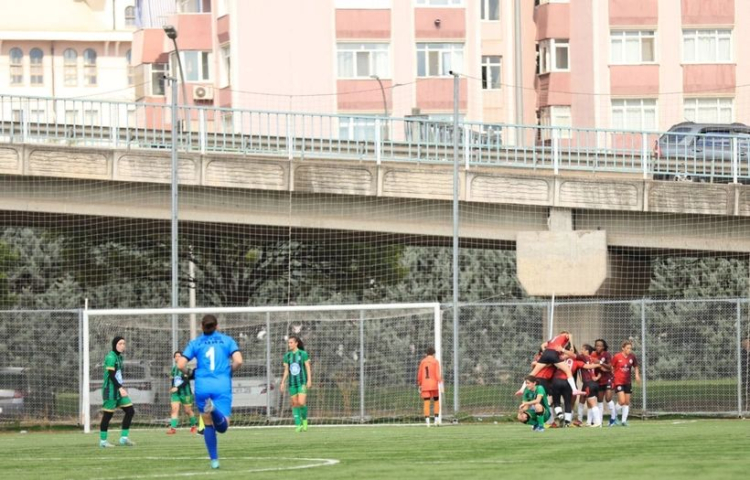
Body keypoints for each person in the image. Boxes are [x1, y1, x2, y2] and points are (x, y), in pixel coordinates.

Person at [178, 315, 243, 470]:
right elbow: (239, 361)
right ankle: (214, 410)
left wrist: (190, 373)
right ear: (217, 326)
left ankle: (214, 460)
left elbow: (181, 364)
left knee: (208, 425)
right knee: (223, 427)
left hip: (203, 386)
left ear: (202, 326)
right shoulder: (227, 340)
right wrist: (229, 371)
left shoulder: (195, 343)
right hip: (221, 385)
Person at [517, 331, 585, 397]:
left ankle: (522, 389)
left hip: (546, 353)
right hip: (553, 354)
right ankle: (574, 390)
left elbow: (542, 345)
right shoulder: (564, 336)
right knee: (568, 371)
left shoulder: (553, 339)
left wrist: (545, 351)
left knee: (532, 373)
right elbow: (570, 335)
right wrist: (572, 346)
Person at [99, 336, 136, 448]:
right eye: (120, 343)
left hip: (118, 389)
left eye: (124, 343)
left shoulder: (119, 357)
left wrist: (120, 387)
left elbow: (117, 375)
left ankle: (124, 438)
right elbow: (111, 375)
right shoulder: (111, 357)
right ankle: (103, 442)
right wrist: (120, 388)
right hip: (110, 390)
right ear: (115, 344)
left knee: (130, 411)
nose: (122, 345)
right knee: (108, 415)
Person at [281, 335, 312, 432]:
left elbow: (307, 367)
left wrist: (309, 380)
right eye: (288, 343)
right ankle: (298, 425)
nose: (289, 344)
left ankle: (305, 421)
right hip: (292, 383)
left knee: (301, 403)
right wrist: (282, 382)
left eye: (291, 342)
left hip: (302, 382)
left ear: (296, 343)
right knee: (295, 404)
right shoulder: (287, 356)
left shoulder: (303, 354)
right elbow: (286, 370)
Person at [611, 340, 641, 427]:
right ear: (623, 348)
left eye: (630, 348)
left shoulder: (632, 357)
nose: (629, 350)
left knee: (627, 402)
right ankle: (614, 415)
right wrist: (613, 376)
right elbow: (611, 367)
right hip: (618, 381)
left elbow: (635, 366)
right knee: (622, 401)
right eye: (627, 348)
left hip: (627, 382)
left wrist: (637, 375)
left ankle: (624, 421)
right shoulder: (617, 356)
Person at [167, 351, 198, 435]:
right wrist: (172, 387)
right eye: (176, 356)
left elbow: (185, 381)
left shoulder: (184, 368)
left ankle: (194, 426)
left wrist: (177, 388)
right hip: (176, 393)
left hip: (186, 393)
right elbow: (173, 379)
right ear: (174, 358)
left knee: (188, 411)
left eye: (179, 356)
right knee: (174, 409)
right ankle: (173, 428)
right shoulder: (174, 368)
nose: (177, 357)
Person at [591, 338, 617, 427]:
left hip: (608, 379)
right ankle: (600, 421)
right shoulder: (593, 355)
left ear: (603, 347)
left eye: (600, 346)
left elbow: (610, 367)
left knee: (608, 399)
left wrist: (600, 362)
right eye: (596, 345)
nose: (598, 347)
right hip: (599, 380)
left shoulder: (607, 354)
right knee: (600, 400)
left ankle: (613, 418)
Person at [416, 346, 443, 427]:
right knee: (436, 401)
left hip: (425, 384)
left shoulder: (423, 362)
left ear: (426, 354)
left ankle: (427, 422)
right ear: (433, 354)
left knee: (426, 402)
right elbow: (438, 374)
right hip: (434, 385)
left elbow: (420, 374)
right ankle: (436, 420)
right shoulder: (435, 361)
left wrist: (419, 383)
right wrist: (440, 383)